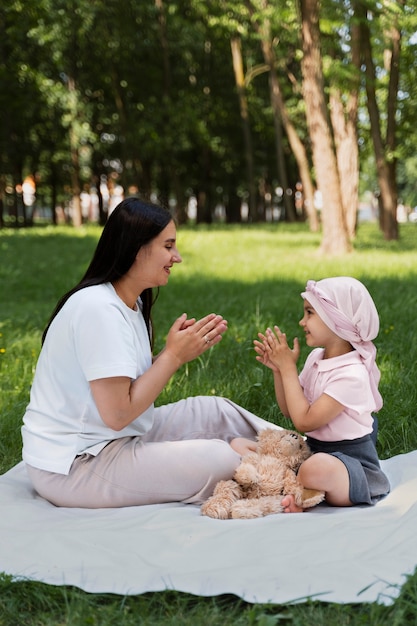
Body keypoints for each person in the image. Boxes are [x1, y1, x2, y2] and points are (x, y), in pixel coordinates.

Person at [22, 198, 273, 508]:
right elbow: (116, 415)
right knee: (220, 457)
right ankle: (273, 468)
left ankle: (306, 449)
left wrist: (172, 352)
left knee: (215, 410)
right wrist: (173, 357)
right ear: (137, 249)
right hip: (76, 466)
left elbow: (126, 385)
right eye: (168, 246)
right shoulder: (97, 309)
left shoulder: (131, 304)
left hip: (117, 439)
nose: (177, 257)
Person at [254, 277, 390, 513]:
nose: (302, 321)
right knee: (247, 447)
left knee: (313, 469)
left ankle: (301, 491)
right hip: (314, 450)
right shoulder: (316, 357)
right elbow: (290, 410)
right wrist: (279, 371)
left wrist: (288, 369)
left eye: (309, 313)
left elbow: (305, 421)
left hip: (350, 464)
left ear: (336, 320)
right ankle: (302, 490)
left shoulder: (352, 373)